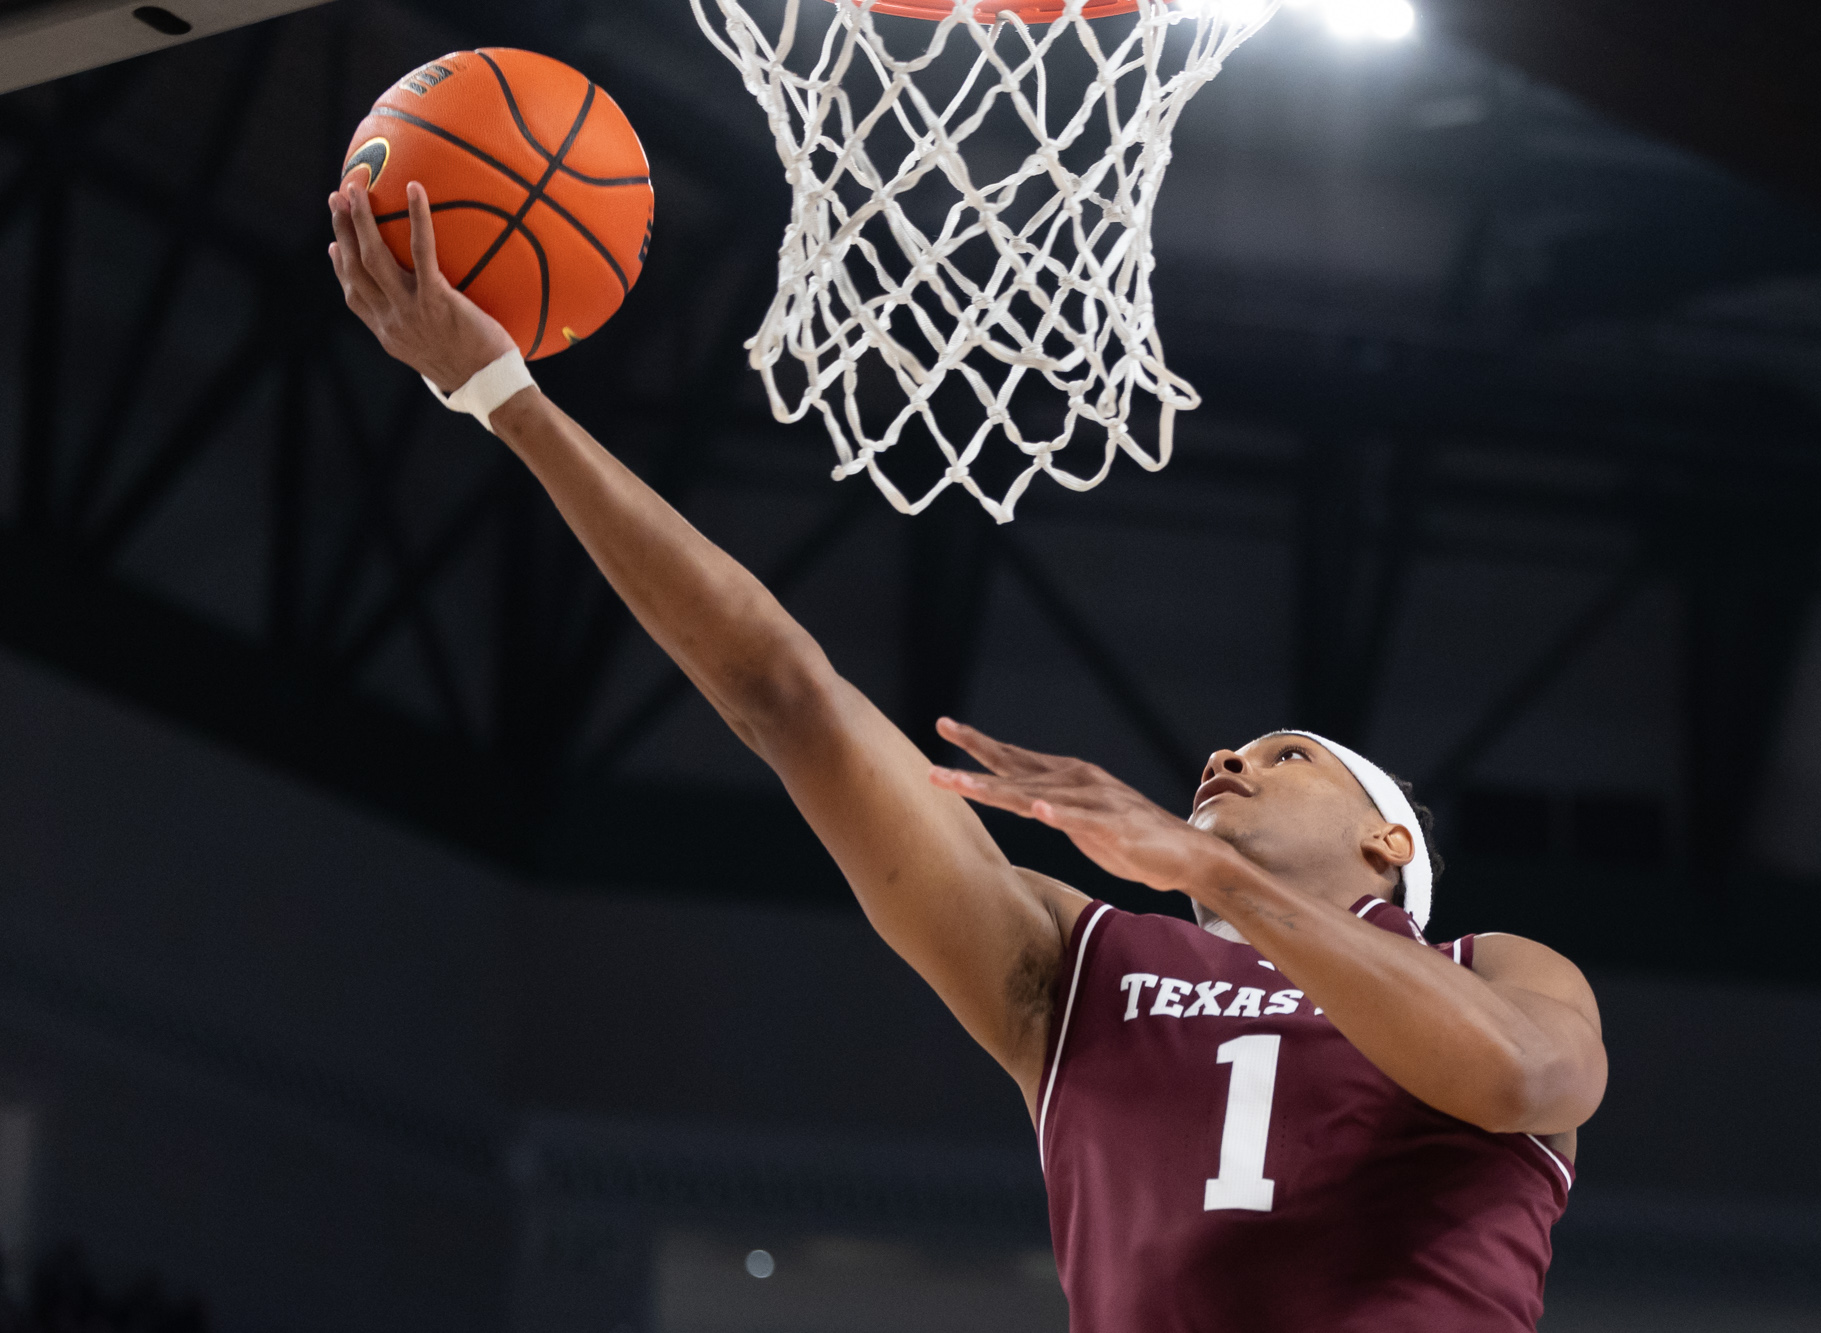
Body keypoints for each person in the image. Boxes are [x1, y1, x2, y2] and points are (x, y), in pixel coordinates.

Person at [329, 177, 1607, 1332]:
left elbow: (1517, 1080)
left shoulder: (1488, 966)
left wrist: (1219, 883)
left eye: (1285, 755)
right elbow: (784, 694)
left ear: (1389, 843)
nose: (1223, 754)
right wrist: (506, 400)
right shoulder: (1078, 962)